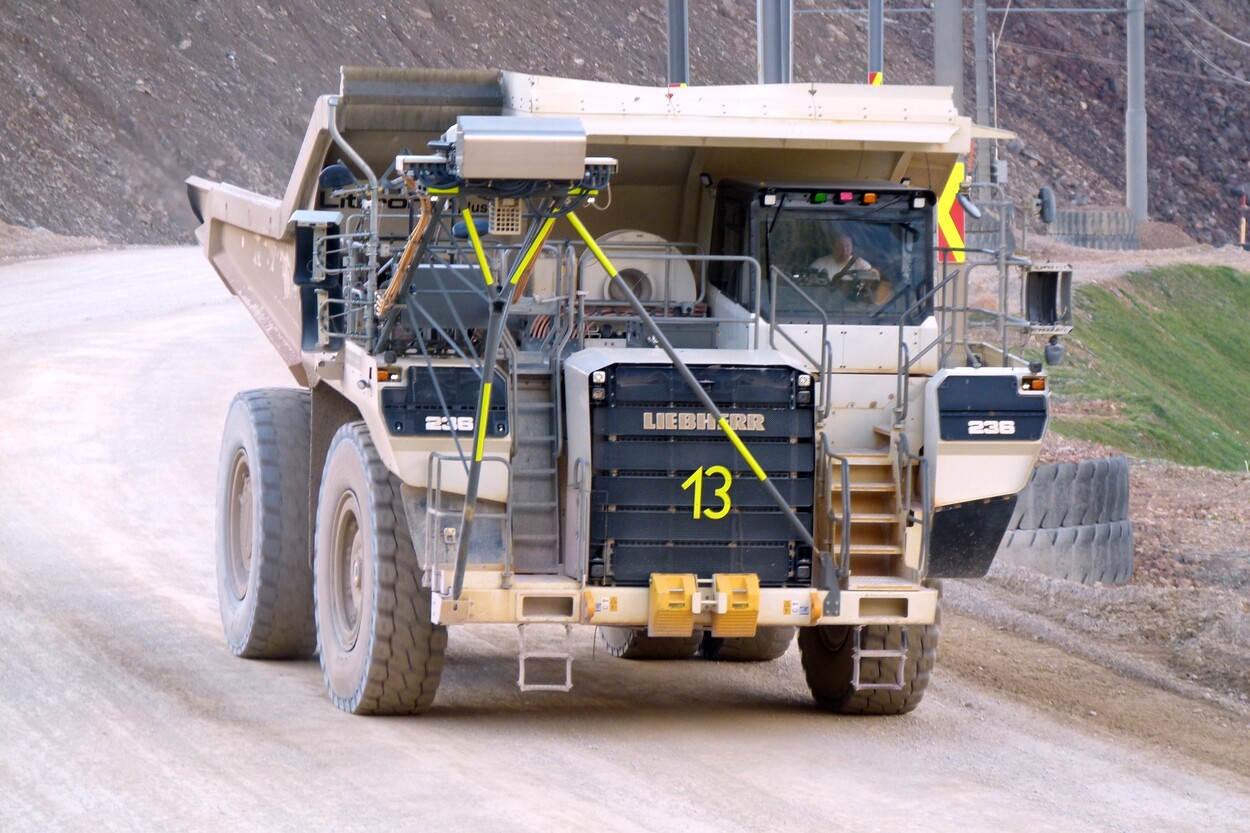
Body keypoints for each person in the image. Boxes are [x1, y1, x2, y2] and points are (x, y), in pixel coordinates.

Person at [808, 230, 891, 305]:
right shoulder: (820, 264)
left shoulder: (859, 262)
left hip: (851, 309)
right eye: (840, 247)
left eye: (847, 246)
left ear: (852, 247)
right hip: (825, 306)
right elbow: (810, 285)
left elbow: (873, 274)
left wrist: (874, 273)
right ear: (833, 247)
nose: (844, 250)